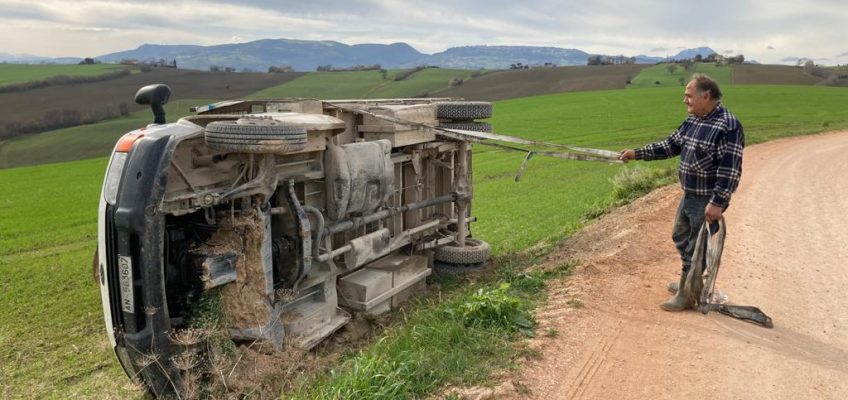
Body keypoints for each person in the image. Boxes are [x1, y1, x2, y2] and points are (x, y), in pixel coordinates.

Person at [618, 73, 744, 311]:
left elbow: (730, 169)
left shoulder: (728, 126)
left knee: (695, 245)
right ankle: (690, 282)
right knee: (680, 235)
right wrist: (636, 153)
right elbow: (670, 145)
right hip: (690, 193)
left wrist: (718, 202)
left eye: (688, 96)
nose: (684, 101)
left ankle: (688, 293)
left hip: (707, 197)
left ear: (705, 96)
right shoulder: (694, 120)